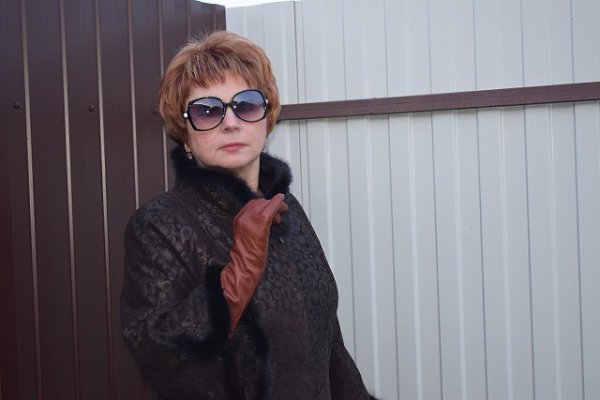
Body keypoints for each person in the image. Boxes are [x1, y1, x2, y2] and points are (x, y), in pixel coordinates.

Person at [120, 31, 376, 400]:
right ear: (185, 134)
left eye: (247, 105)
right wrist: (236, 277)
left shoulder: (287, 209)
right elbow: (159, 355)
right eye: (207, 110)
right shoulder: (159, 224)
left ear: (266, 119)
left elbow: (328, 343)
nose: (231, 122)